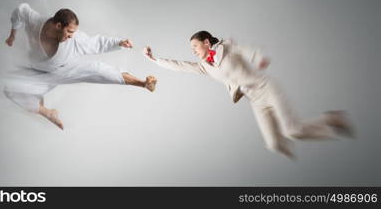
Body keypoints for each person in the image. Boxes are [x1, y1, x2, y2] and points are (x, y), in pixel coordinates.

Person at [143, 30, 354, 159]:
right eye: (191, 48)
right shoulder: (205, 67)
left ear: (207, 42)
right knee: (273, 144)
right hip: (256, 101)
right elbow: (179, 66)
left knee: (292, 130)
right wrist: (154, 59)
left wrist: (259, 57)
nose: (193, 51)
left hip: (267, 88)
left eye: (195, 46)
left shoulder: (227, 47)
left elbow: (248, 50)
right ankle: (312, 136)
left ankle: (332, 120)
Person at [4, 3, 157, 130]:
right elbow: (20, 10)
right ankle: (48, 112)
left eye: (73, 33)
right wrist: (13, 34)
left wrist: (118, 42)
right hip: (40, 71)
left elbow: (96, 43)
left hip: (67, 69)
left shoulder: (74, 40)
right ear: (58, 25)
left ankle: (143, 83)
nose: (71, 36)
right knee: (10, 89)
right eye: (69, 32)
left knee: (98, 70)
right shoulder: (34, 21)